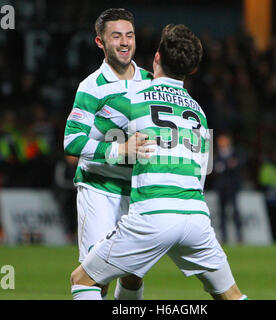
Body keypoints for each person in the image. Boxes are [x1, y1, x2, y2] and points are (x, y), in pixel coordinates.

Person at [70, 24, 248, 300]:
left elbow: (88, 135)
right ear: (192, 71)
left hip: (153, 212)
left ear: (156, 59)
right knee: (232, 295)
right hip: (196, 217)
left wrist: (113, 151)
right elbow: (204, 168)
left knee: (83, 279)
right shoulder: (198, 111)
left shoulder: (134, 97)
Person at [63, 8, 153, 300]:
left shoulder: (152, 82)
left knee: (133, 276)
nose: (125, 42)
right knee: (95, 274)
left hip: (138, 192)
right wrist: (118, 149)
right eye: (116, 36)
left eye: (130, 35)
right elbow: (72, 142)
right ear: (100, 42)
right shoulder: (91, 86)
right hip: (99, 189)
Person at [212, 133, 243, 244]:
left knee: (235, 212)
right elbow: (216, 168)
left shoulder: (235, 153)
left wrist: (225, 166)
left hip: (232, 187)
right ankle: (224, 237)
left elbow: (237, 165)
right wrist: (227, 165)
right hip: (221, 188)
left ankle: (239, 237)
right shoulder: (217, 154)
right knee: (222, 213)